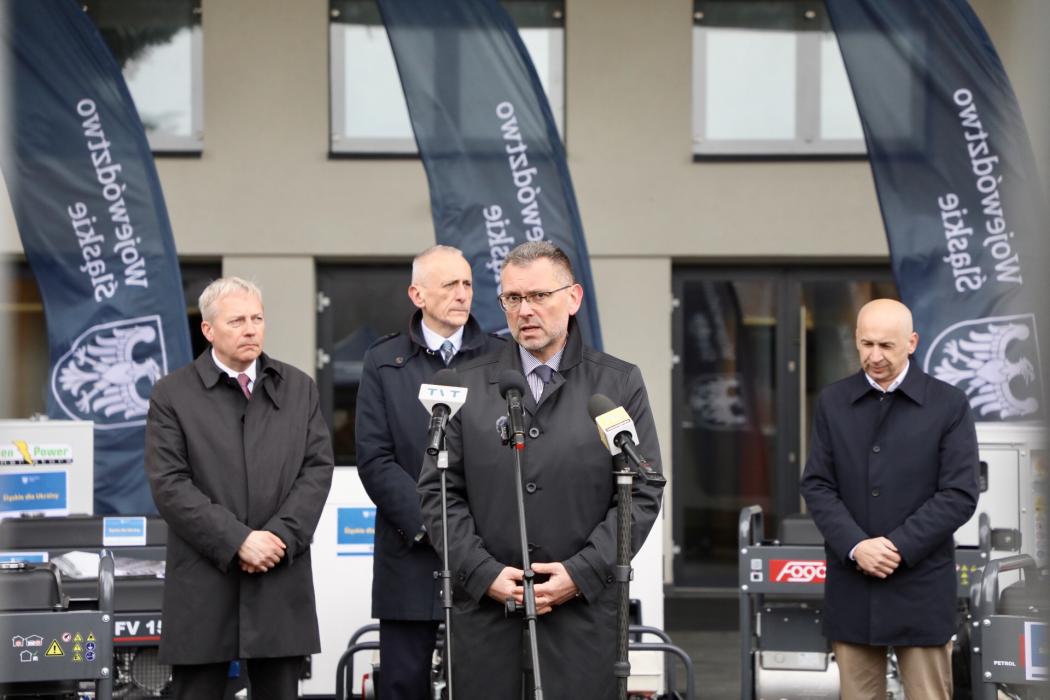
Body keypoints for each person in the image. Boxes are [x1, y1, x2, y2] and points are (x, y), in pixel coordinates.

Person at [417, 241, 665, 699]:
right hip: (487, 621)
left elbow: (642, 490)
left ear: (573, 298)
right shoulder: (464, 385)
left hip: (582, 620)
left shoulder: (617, 383)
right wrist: (482, 572)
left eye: (538, 296)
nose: (524, 310)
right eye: (512, 298)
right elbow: (439, 491)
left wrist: (582, 573)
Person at [145, 277, 334, 700]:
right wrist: (238, 541)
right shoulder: (172, 394)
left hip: (278, 576)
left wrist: (278, 537)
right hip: (205, 579)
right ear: (208, 330)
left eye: (257, 319)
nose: (251, 330)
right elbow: (170, 483)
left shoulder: (298, 388)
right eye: (237, 321)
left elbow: (317, 469)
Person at [800, 298, 979, 700]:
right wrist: (856, 545)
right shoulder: (833, 401)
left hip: (921, 586)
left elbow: (959, 493)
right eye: (867, 344)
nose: (874, 356)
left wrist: (897, 546)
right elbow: (817, 485)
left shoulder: (949, 404)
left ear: (912, 342)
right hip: (853, 583)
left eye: (886, 346)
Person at [355, 245, 505, 700]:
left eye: (468, 284)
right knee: (403, 683)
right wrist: (433, 526)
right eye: (450, 285)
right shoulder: (383, 360)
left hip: (484, 554)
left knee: (484, 685)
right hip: (411, 552)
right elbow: (375, 458)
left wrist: (468, 534)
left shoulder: (503, 359)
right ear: (417, 295)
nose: (463, 294)